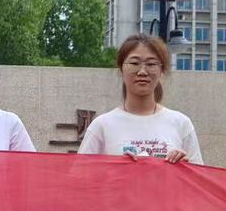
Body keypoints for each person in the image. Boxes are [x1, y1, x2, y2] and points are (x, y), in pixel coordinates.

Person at [78, 33, 203, 163]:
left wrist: (184, 168)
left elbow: (199, 174)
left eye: (151, 64)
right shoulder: (101, 126)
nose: (142, 71)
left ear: (161, 71)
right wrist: (115, 167)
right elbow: (79, 173)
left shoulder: (181, 124)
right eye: (134, 63)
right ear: (121, 69)